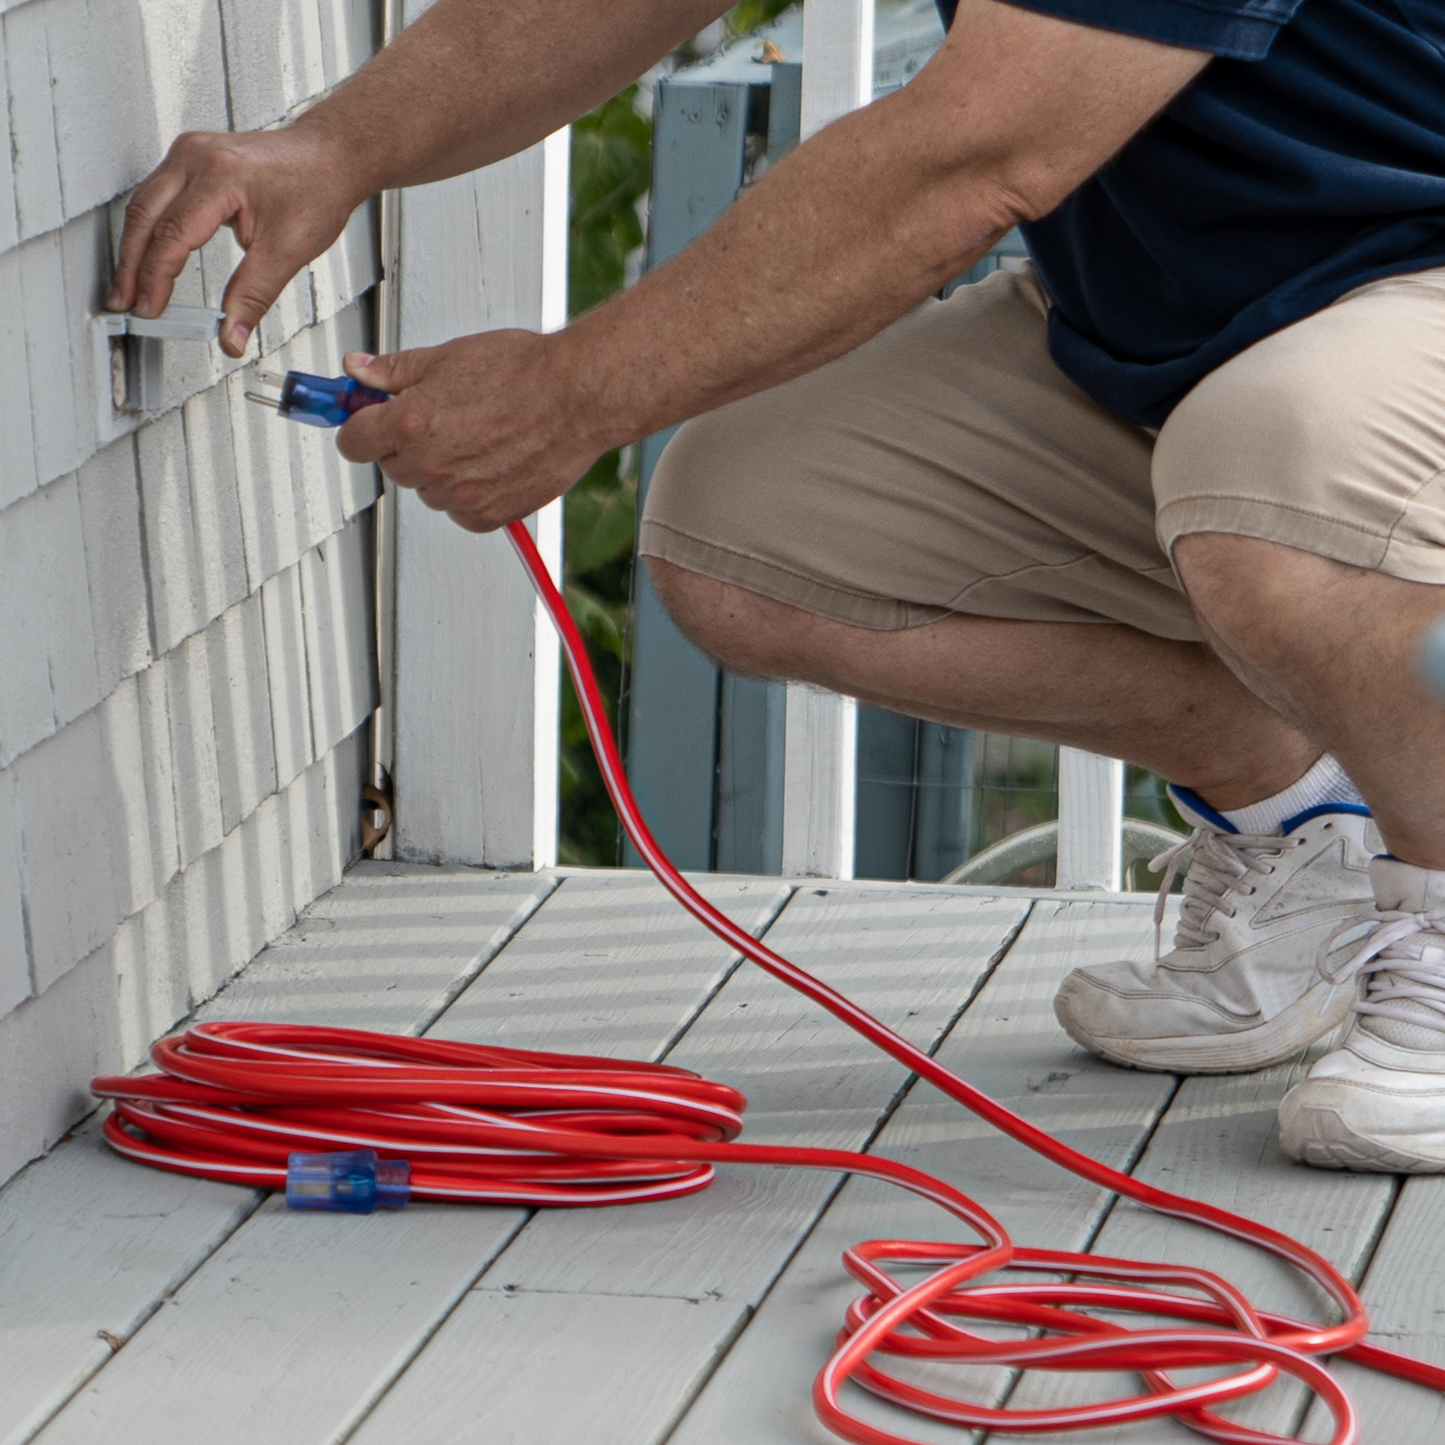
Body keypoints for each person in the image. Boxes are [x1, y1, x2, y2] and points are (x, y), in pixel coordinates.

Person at [111, 0, 1445, 1173]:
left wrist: (566, 395)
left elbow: (983, 150)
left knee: (1282, 474)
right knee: (751, 536)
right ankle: (1299, 824)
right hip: (1189, 331)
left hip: (1406, 306)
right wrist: (337, 146)